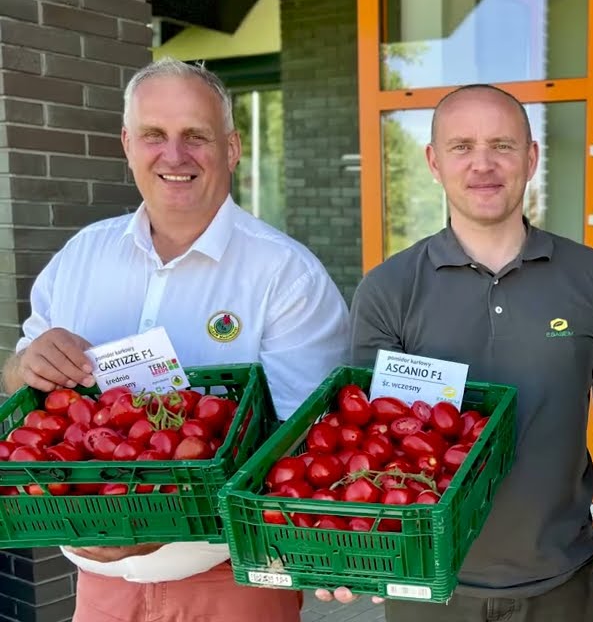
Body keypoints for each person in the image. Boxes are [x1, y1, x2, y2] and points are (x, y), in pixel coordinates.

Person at [2, 57, 351, 621]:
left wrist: (164, 520)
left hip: (230, 585)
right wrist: (23, 366)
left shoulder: (285, 273)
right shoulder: (81, 256)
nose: (174, 155)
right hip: (98, 588)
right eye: (153, 135)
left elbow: (305, 442)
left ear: (232, 148)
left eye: (196, 136)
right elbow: (21, 383)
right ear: (127, 144)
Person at [318, 83, 593, 621]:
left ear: (531, 158)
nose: (483, 164)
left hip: (562, 574)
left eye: (503, 146)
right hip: (428, 580)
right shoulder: (388, 288)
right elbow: (372, 441)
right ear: (434, 162)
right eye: (462, 146)